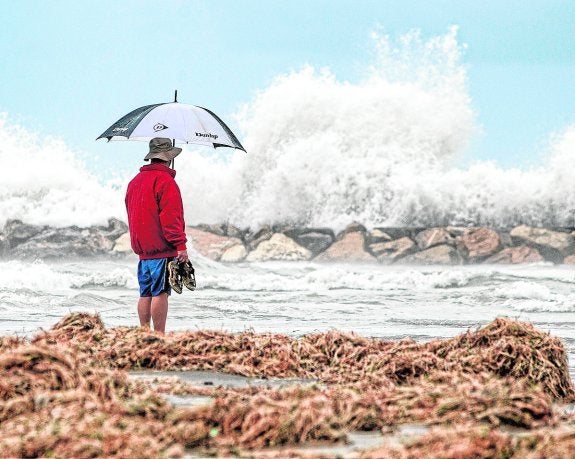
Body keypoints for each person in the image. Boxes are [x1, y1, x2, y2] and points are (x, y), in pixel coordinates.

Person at [125, 137, 189, 334]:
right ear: (168, 158)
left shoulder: (134, 182)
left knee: (145, 293)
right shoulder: (165, 182)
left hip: (143, 251)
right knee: (161, 292)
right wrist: (181, 246)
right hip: (161, 249)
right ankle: (159, 336)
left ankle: (144, 335)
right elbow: (171, 218)